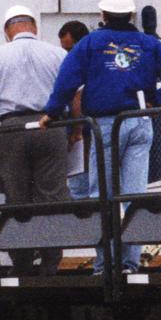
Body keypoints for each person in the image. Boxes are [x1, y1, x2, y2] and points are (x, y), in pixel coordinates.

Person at [41, 0, 161, 273]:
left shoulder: (91, 44)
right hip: (139, 122)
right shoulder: (148, 43)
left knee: (102, 195)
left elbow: (67, 80)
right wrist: (158, 101)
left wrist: (52, 112)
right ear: (132, 13)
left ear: (103, 13)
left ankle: (105, 263)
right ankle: (130, 263)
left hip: (105, 126)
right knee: (134, 195)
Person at [0, 5, 69, 275]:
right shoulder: (57, 54)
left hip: (12, 130)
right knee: (51, 197)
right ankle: (51, 263)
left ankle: (21, 264)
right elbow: (75, 93)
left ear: (7, 31)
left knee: (16, 197)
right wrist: (76, 131)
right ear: (34, 27)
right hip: (51, 125)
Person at [56, 20, 91, 199]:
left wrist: (77, 131)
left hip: (85, 126)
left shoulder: (85, 64)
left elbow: (77, 98)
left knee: (80, 182)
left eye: (69, 50)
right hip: (83, 124)